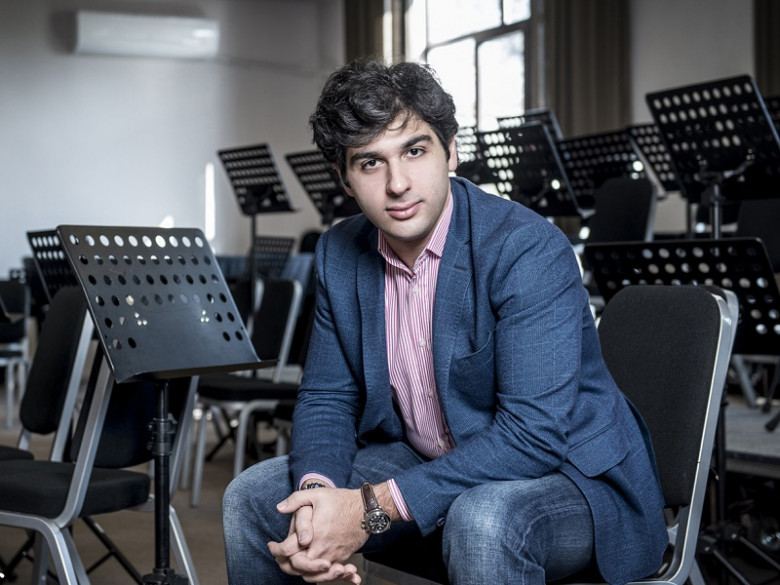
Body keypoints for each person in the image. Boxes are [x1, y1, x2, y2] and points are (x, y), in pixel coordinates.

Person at [223, 58, 668, 585]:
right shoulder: (339, 252)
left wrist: (369, 509)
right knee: (255, 498)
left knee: (482, 520)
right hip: (426, 458)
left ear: (451, 151)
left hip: (569, 476)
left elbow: (532, 437)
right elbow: (327, 397)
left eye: (415, 151)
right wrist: (317, 499)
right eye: (370, 162)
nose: (397, 183)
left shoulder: (526, 248)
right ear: (345, 178)